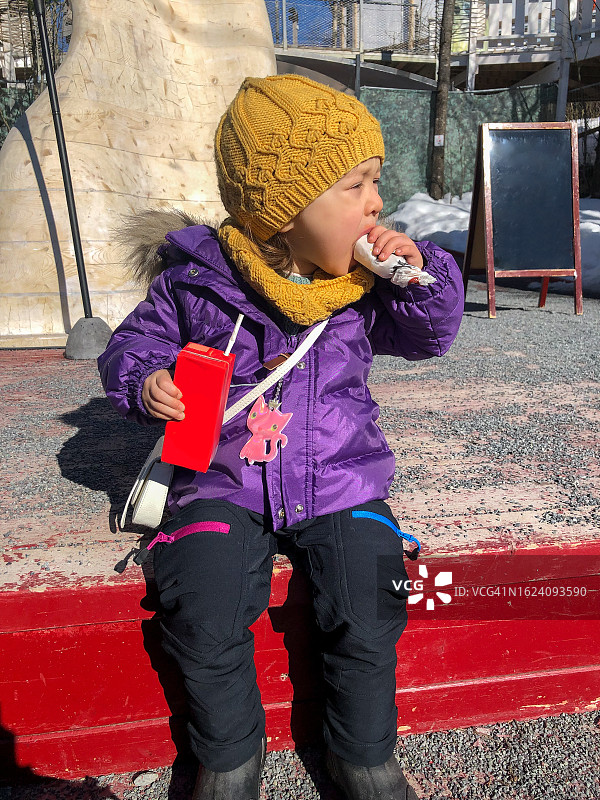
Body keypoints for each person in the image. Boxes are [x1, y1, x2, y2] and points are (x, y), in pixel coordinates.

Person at [99, 74, 464, 800]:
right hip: (220, 479)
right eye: (355, 185)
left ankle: (364, 756)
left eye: (376, 182)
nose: (376, 204)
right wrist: (146, 382)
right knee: (198, 602)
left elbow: (432, 337)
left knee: (371, 593)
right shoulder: (197, 284)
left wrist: (422, 277)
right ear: (285, 209)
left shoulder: (364, 289)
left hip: (340, 474)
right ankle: (228, 758)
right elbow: (130, 347)